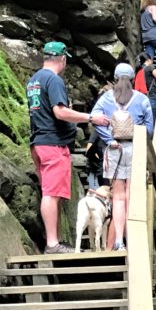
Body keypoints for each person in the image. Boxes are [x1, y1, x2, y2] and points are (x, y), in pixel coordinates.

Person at [26, 41, 110, 254]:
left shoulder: (34, 80)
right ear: (62, 59)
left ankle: (54, 241)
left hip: (38, 142)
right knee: (51, 194)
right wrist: (91, 118)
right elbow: (60, 112)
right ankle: (53, 244)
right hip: (52, 144)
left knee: (48, 192)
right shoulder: (53, 80)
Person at [89, 63, 154, 251]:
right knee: (130, 196)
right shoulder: (142, 99)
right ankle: (132, 238)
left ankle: (119, 241)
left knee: (117, 197)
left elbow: (94, 118)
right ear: (133, 79)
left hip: (114, 150)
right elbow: (149, 129)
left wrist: (108, 138)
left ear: (116, 78)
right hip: (135, 150)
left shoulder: (106, 99)